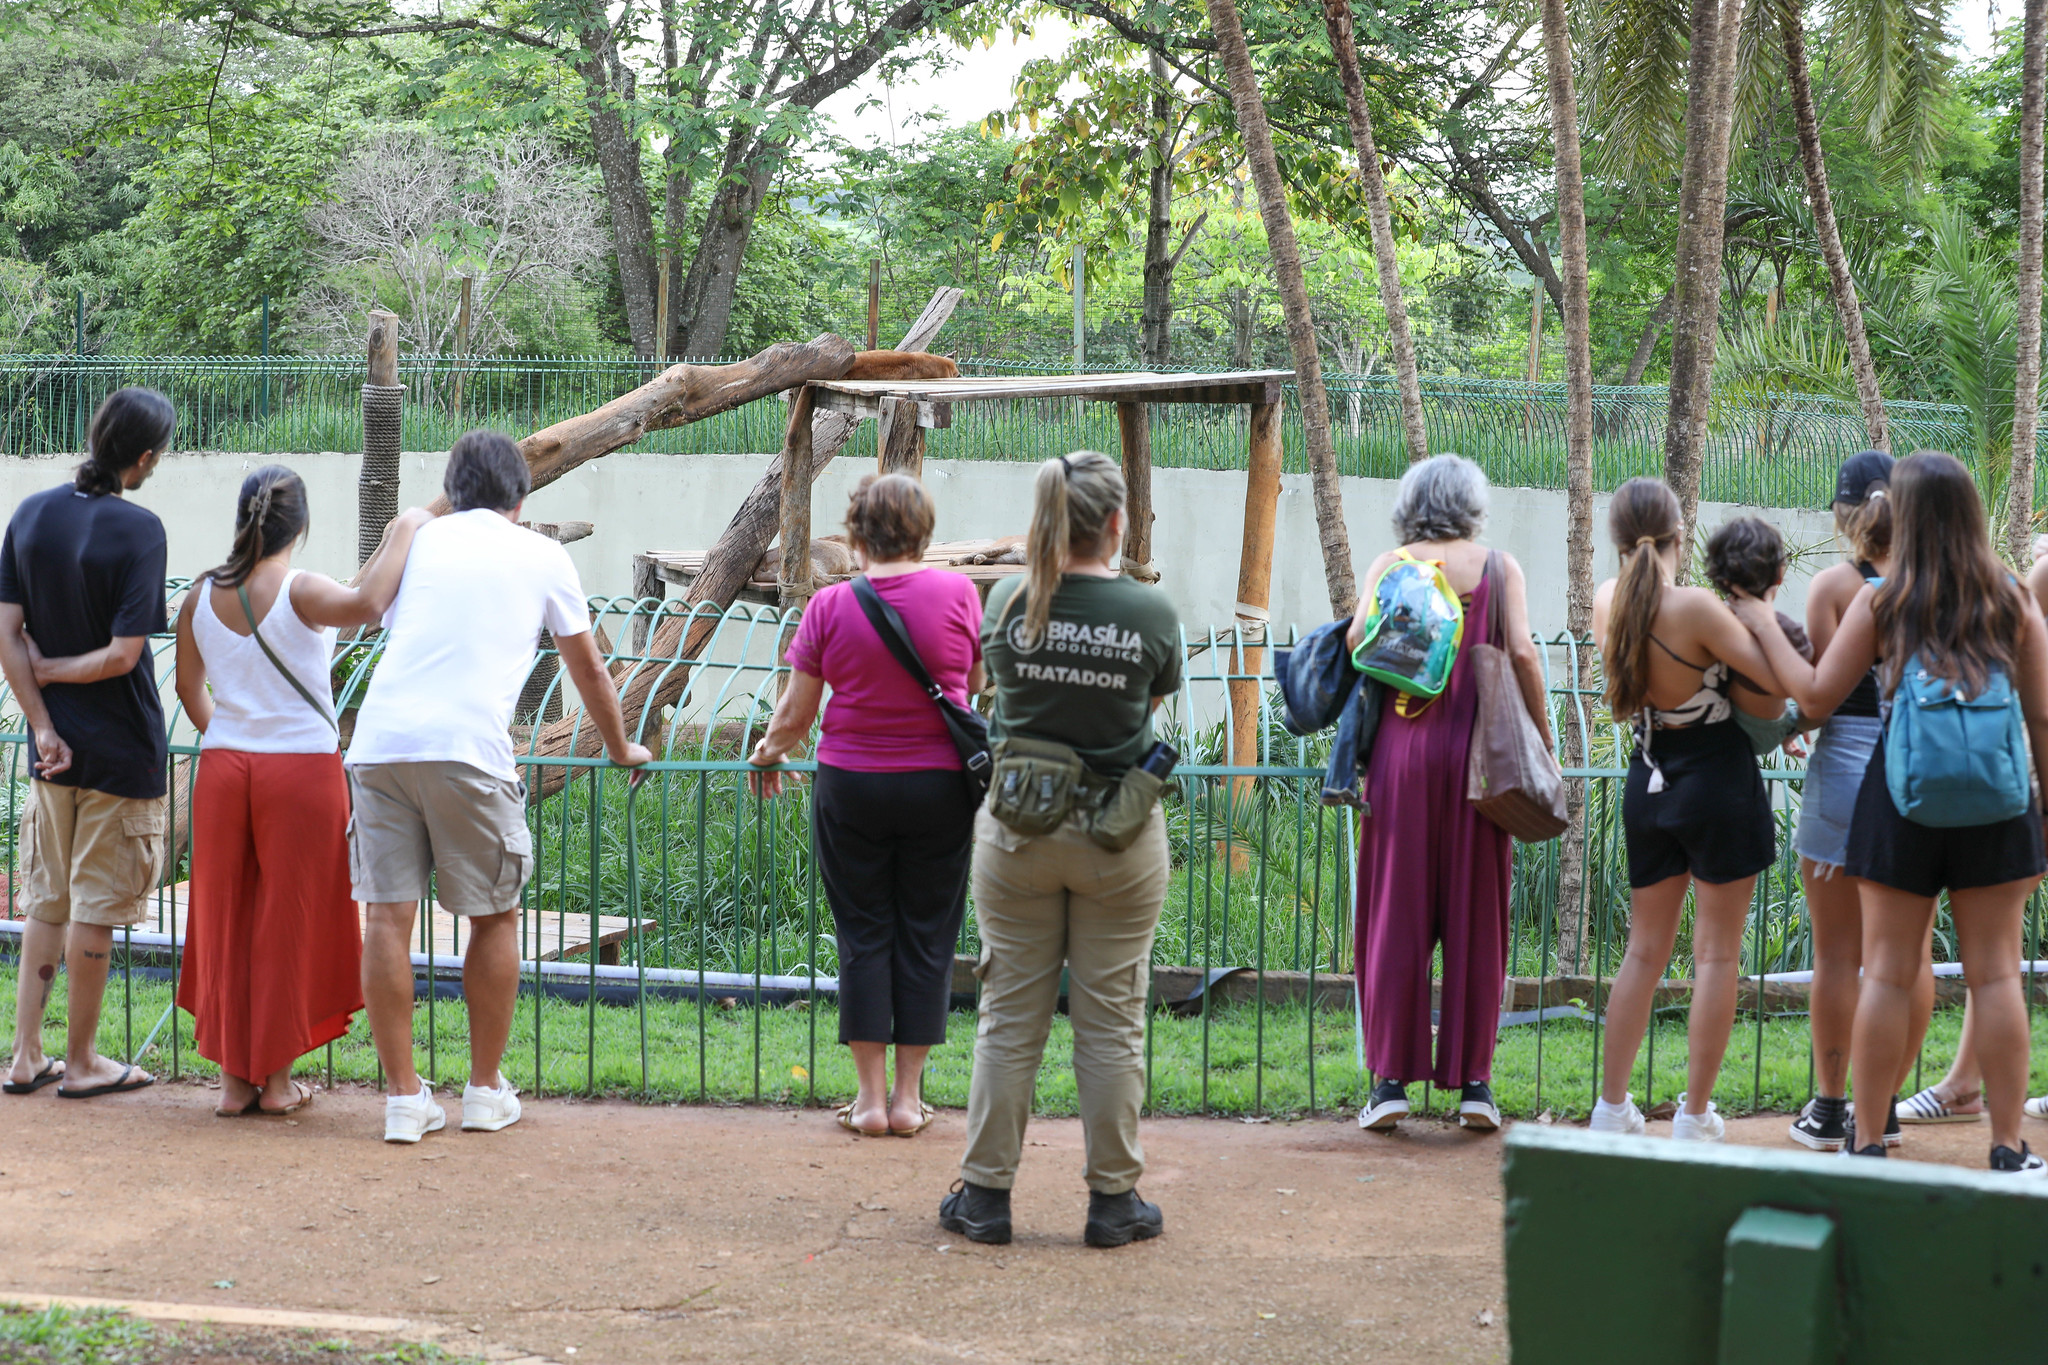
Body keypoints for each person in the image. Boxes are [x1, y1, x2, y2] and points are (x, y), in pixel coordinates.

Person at [1735, 450, 2048, 1171]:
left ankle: (1868, 1139)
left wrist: (1760, 622)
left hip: (1899, 801)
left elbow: (1814, 697)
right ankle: (2007, 1147)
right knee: (1997, 974)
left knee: (1883, 971)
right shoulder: (2012, 597)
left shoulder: (1886, 598)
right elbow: (2039, 715)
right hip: (1999, 807)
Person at [347, 430, 652, 1144]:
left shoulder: (419, 540)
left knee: (387, 919)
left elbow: (372, 602)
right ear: (522, 497)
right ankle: (483, 1089)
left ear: (452, 492)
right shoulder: (543, 554)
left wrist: (428, 511)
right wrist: (618, 746)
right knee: (495, 914)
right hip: (469, 750)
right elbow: (589, 670)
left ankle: (402, 1098)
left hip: (379, 742)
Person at [939, 450, 1181, 1249]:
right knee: (1112, 1022)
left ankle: (984, 1196)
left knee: (1008, 1018)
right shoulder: (1151, 613)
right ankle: (1114, 1202)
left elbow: (999, 689)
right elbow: (1149, 700)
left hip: (1017, 835)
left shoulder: (1010, 599)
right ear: (1117, 524)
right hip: (1118, 836)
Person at [173, 466, 431, 1117]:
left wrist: (234, 733)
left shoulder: (200, 594)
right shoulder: (301, 590)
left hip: (225, 768)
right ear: (302, 525)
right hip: (300, 773)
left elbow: (187, 688)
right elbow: (371, 603)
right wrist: (406, 525)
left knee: (226, 915)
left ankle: (235, 1082)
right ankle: (278, 1080)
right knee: (288, 917)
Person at [747, 474, 984, 1137]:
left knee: (865, 933)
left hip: (852, 784)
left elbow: (796, 715)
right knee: (928, 932)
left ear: (854, 537)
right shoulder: (961, 593)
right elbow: (972, 689)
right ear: (923, 532)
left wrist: (766, 751)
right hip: (940, 786)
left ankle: (869, 1101)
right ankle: (911, 1099)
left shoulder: (829, 606)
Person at [1351, 454, 1550, 1135]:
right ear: (1473, 504)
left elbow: (1356, 642)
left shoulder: (1391, 564)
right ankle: (1474, 1085)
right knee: (1476, 915)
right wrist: (1545, 740)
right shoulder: (1498, 568)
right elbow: (1523, 653)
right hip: (1480, 766)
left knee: (1394, 913)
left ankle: (1388, 1083)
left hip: (1400, 758)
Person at [1588, 478, 1787, 1141]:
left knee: (1642, 952)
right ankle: (1694, 1116)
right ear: (1682, 532)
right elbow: (1774, 672)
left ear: (1617, 539)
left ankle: (1611, 1108)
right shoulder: (1698, 608)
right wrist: (1760, 613)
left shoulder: (1607, 603)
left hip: (1647, 776)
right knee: (1716, 956)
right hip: (1716, 781)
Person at [0, 388, 176, 1100]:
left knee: (46, 899)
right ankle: (82, 1060)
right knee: (96, 904)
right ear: (142, 456)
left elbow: (7, 633)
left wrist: (42, 719)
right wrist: (53, 669)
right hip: (121, 750)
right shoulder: (141, 531)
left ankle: (23, 1055)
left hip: (53, 750)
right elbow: (122, 654)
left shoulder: (30, 514)